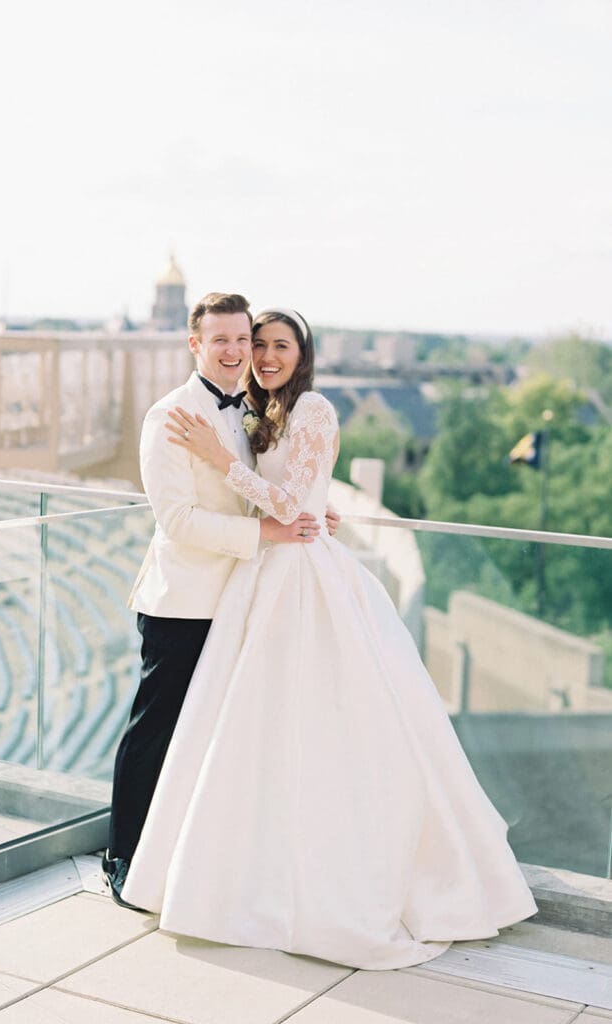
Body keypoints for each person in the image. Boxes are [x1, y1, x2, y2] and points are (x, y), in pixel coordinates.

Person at [121, 307, 537, 969]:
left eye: (277, 345)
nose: (263, 355)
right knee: (252, 731)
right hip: (259, 575)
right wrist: (313, 501)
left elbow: (288, 503)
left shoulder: (311, 408)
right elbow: (291, 496)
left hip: (298, 578)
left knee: (318, 722)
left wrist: (225, 461)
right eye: (257, 344)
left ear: (302, 353)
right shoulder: (264, 414)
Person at [103, 293, 331, 908]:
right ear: (194, 344)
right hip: (184, 600)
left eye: (245, 339)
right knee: (156, 730)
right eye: (224, 340)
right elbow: (177, 519)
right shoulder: (170, 416)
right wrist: (265, 532)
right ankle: (124, 855)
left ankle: (181, 853)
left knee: (211, 736)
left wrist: (309, 506)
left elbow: (271, 483)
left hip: (241, 598)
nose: (238, 352)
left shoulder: (254, 410)